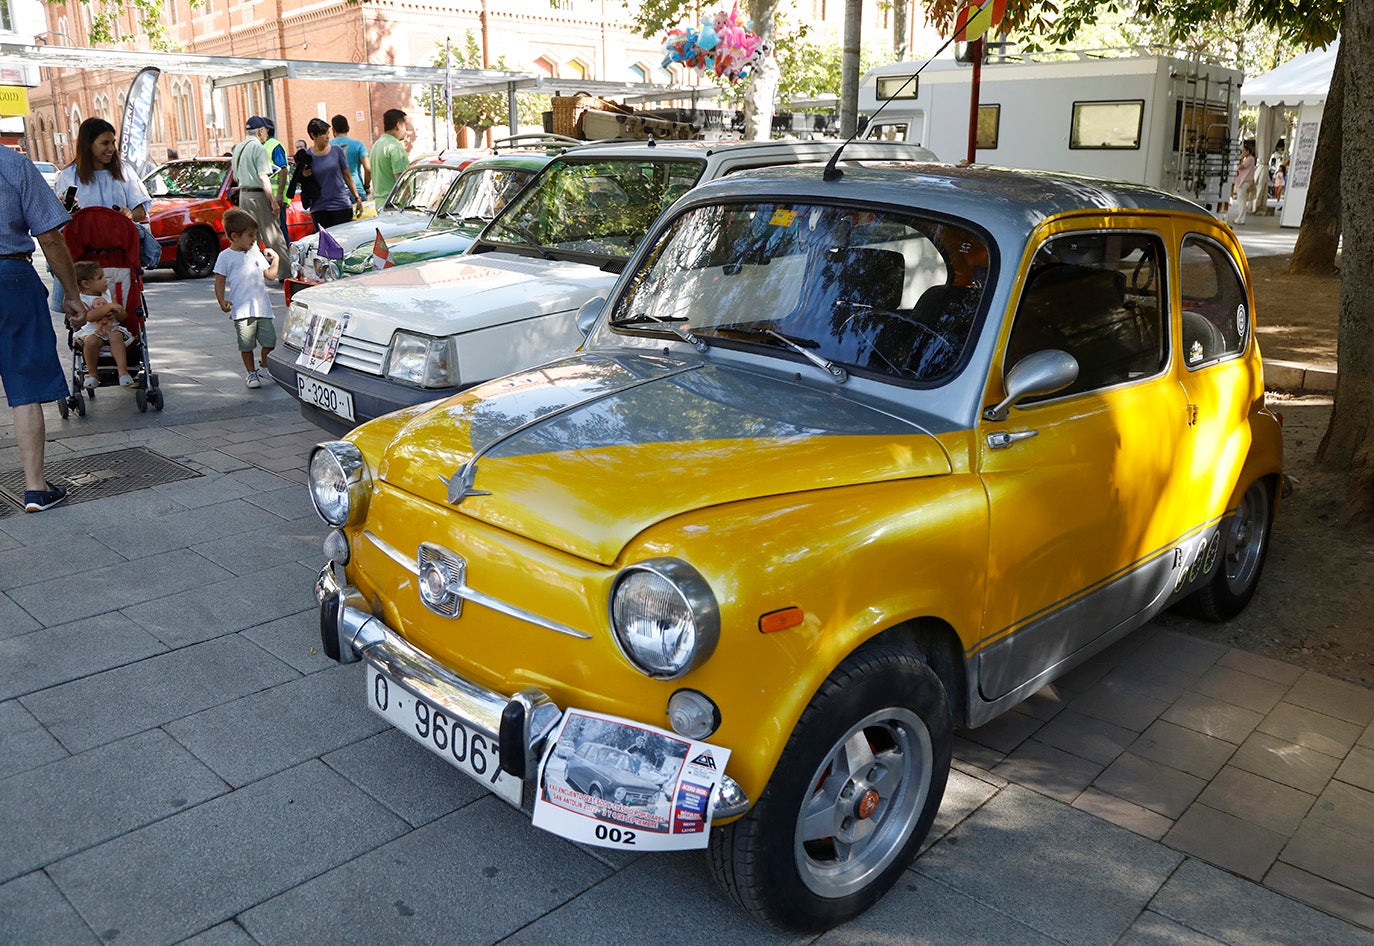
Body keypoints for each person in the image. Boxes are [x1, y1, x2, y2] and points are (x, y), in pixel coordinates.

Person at [0, 145, 88, 512]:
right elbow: (50, 236)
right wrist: (72, 294)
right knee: (25, 387)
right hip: (11, 279)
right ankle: (35, 488)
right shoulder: (14, 163)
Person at [52, 117, 157, 270]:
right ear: (88, 145)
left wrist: (130, 214)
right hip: (82, 261)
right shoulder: (69, 176)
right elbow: (57, 222)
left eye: (113, 142)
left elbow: (141, 211)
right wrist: (63, 208)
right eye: (105, 143)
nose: (111, 149)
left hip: (119, 257)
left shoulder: (124, 171)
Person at [213, 208, 280, 389]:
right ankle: (251, 373)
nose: (254, 239)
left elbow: (270, 275)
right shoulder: (225, 257)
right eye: (250, 236)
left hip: (262, 308)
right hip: (242, 310)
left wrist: (276, 260)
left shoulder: (255, 252)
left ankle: (264, 366)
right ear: (234, 236)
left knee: (270, 342)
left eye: (254, 235)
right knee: (246, 344)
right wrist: (221, 300)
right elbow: (219, 281)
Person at [231, 116, 289, 281]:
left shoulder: (238, 148)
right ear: (261, 131)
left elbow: (235, 176)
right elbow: (263, 177)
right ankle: (285, 273)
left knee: (248, 237)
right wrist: (272, 200)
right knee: (272, 235)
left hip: (244, 195)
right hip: (258, 196)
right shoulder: (259, 148)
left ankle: (250, 273)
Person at [73, 260, 134, 389]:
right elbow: (89, 317)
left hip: (111, 328)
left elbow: (123, 316)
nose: (105, 279)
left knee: (116, 336)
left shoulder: (107, 295)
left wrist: (117, 312)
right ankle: (93, 374)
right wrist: (108, 307)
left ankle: (122, 371)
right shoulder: (81, 299)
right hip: (91, 332)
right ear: (86, 284)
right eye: (100, 278)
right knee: (91, 342)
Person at [303, 117, 363, 229]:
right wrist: (304, 176)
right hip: (319, 208)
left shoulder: (337, 151)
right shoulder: (306, 156)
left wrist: (357, 198)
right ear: (313, 135)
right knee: (325, 244)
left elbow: (347, 176)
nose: (327, 137)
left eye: (328, 133)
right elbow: (301, 182)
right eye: (323, 134)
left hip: (340, 205)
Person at [369, 108, 411, 206]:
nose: (406, 131)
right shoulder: (395, 146)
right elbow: (402, 181)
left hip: (380, 203)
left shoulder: (376, 145)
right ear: (398, 125)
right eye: (405, 126)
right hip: (395, 205)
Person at [330, 114, 371, 199]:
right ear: (348, 128)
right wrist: (366, 186)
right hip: (357, 189)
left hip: (336, 192)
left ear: (333, 130)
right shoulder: (358, 145)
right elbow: (368, 169)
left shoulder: (328, 147)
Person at [1228, 140, 1258, 225]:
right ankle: (1241, 217)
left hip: (1244, 181)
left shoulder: (1250, 159)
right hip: (1242, 181)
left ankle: (1241, 218)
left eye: (1244, 151)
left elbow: (1241, 167)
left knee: (1241, 200)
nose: (1243, 152)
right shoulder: (1247, 159)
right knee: (1241, 199)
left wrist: (1241, 157)